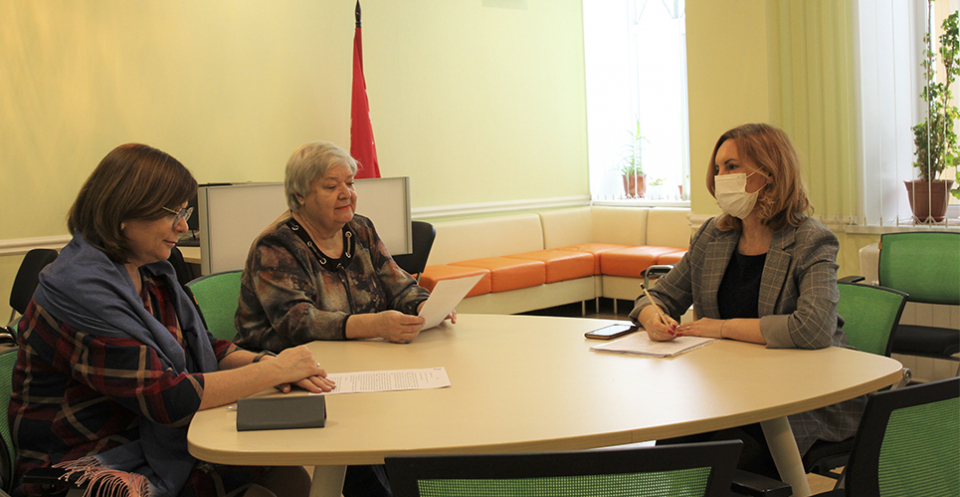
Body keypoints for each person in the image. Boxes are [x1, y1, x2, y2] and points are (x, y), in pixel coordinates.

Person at [9, 144, 335, 497]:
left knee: (288, 475)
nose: (183, 226)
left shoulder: (149, 272)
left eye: (185, 211)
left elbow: (203, 347)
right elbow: (167, 400)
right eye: (173, 214)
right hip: (85, 463)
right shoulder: (78, 292)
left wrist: (269, 364)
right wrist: (274, 372)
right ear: (124, 212)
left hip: (147, 438)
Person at [629, 123, 865, 478]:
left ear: (769, 172)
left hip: (799, 397)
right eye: (718, 168)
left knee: (729, 465)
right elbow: (657, 297)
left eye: (732, 166)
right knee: (671, 450)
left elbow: (813, 328)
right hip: (727, 387)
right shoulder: (713, 234)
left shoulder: (811, 240)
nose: (720, 177)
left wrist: (721, 328)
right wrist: (653, 319)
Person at [234, 141, 451, 497]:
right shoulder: (276, 246)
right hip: (293, 376)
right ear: (300, 196)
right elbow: (297, 322)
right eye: (331, 186)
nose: (346, 194)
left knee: (413, 422)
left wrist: (426, 306)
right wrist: (374, 325)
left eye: (349, 183)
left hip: (361, 367)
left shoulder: (360, 229)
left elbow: (398, 284)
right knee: (367, 448)